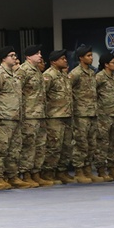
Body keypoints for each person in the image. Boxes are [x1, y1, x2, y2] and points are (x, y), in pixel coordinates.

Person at [0, 46, 24, 189]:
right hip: (2, 117)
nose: (14, 58)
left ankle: (12, 175)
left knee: (14, 149)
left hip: (15, 116)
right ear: (3, 58)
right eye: (11, 55)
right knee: (0, 149)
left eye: (15, 55)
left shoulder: (15, 74)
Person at [69, 45, 103, 183]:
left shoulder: (91, 72)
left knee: (91, 143)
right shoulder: (75, 73)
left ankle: (88, 169)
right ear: (81, 58)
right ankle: (79, 171)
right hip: (80, 114)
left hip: (92, 112)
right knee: (80, 143)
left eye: (91, 55)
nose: (91, 57)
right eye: (88, 55)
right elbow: (67, 91)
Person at [17, 45, 49, 187]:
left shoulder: (37, 71)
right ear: (28, 57)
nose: (40, 56)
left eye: (40, 53)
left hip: (40, 113)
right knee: (28, 145)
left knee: (40, 145)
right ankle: (26, 173)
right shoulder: (23, 70)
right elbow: (18, 91)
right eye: (36, 54)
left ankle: (36, 172)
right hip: (29, 114)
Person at [43, 49, 74, 184]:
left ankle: (62, 171)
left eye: (65, 58)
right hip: (54, 116)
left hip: (66, 114)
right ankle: (49, 173)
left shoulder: (64, 75)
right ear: (54, 61)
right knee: (53, 146)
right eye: (62, 58)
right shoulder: (49, 75)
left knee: (66, 146)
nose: (65, 60)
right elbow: (43, 95)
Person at [94, 52, 114, 181]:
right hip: (103, 116)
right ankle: (101, 170)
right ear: (106, 64)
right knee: (102, 144)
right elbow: (91, 94)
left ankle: (112, 169)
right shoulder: (99, 77)